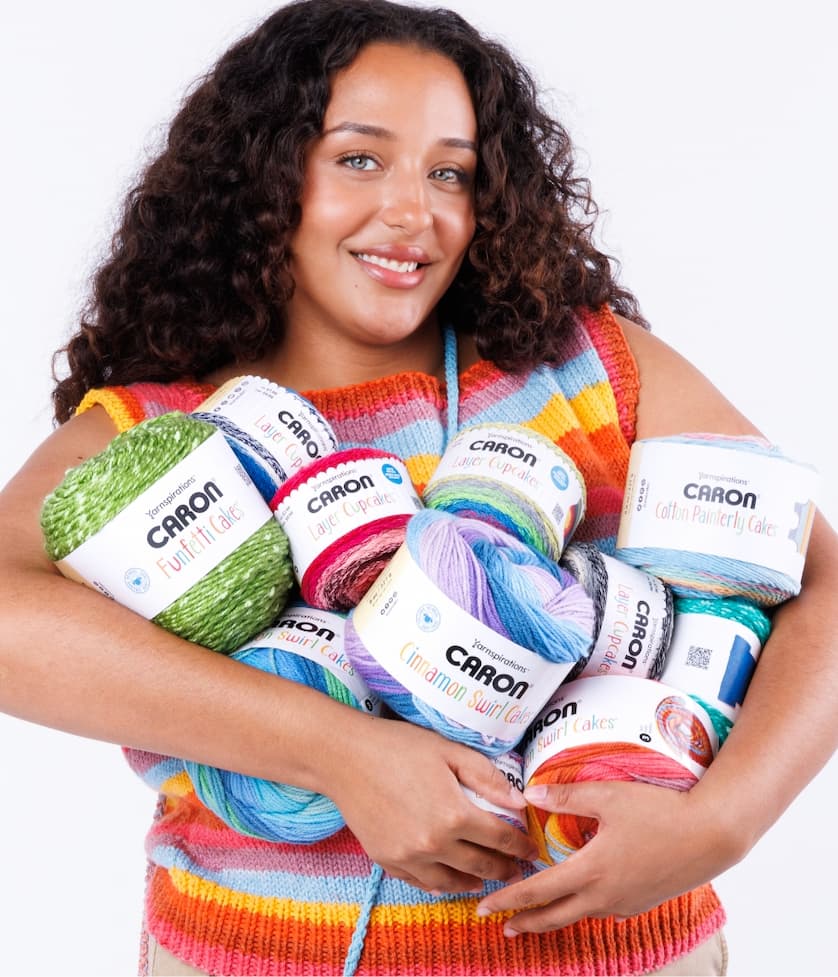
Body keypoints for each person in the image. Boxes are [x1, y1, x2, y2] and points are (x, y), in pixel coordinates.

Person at [1, 0, 835, 974]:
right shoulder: (164, 437)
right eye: (359, 158)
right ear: (262, 176)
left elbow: (821, 581)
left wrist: (726, 820)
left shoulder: (586, 369)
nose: (413, 213)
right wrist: (338, 751)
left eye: (450, 172)